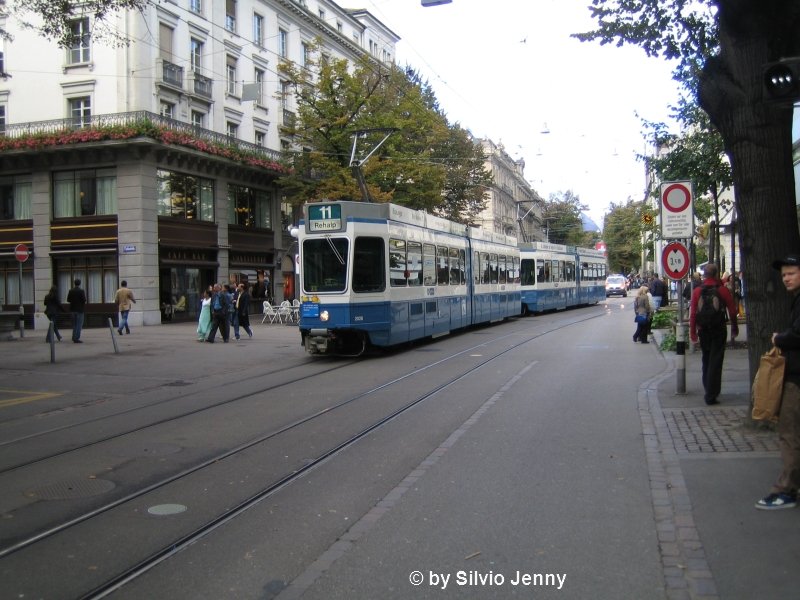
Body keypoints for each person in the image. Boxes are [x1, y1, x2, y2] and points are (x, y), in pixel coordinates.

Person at [755, 255, 800, 509]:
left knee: (790, 433)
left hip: (796, 377)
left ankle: (786, 490)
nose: (786, 278)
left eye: (791, 273)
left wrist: (779, 338)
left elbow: (797, 334)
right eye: (784, 275)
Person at [689, 263, 739, 405]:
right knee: (716, 360)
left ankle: (708, 388)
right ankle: (712, 393)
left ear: (704, 275)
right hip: (718, 328)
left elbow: (693, 313)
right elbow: (732, 310)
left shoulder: (697, 291)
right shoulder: (722, 290)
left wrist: (693, 332)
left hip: (703, 329)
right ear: (716, 274)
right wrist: (734, 328)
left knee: (706, 358)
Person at [66, 278, 87, 343]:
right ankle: (76, 338)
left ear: (74, 283)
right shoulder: (81, 291)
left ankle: (73, 336)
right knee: (79, 324)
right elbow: (84, 300)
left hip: (72, 309)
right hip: (79, 310)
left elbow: (68, 300)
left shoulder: (71, 291)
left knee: (74, 324)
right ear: (79, 283)